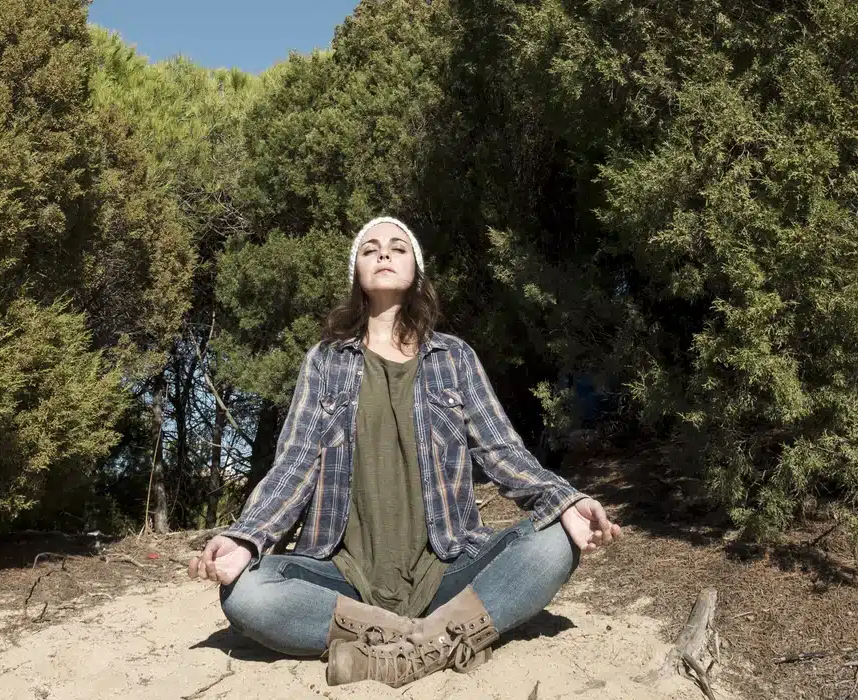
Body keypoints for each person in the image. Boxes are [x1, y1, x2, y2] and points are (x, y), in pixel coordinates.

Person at [187, 216, 623, 687]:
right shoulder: (325, 361)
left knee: (556, 541)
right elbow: (294, 464)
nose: (383, 253)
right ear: (356, 270)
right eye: (370, 248)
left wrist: (564, 499)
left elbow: (502, 451)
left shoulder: (455, 358)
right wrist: (247, 537)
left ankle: (393, 649)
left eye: (397, 247)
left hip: (447, 568)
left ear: (415, 269)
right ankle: (437, 642)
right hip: (342, 578)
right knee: (246, 595)